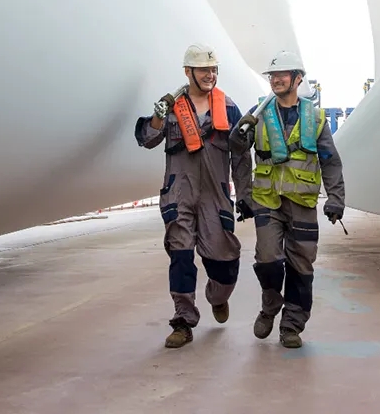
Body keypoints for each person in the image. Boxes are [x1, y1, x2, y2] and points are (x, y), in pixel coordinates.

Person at [135, 43, 250, 348]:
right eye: (204, 70)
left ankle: (218, 296)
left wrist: (245, 194)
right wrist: (157, 117)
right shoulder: (172, 107)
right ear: (188, 72)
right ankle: (183, 321)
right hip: (179, 195)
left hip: (216, 197)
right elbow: (148, 139)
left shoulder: (229, 109)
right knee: (181, 256)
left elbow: (241, 155)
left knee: (224, 263)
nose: (210, 75)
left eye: (213, 69)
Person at [230, 50, 346, 349]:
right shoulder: (257, 114)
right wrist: (243, 195)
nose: (276, 79)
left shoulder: (315, 118)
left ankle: (291, 325)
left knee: (301, 267)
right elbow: (239, 155)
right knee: (267, 260)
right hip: (266, 200)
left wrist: (336, 198)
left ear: (297, 79)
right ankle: (270, 304)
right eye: (272, 75)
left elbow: (330, 160)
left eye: (282, 74)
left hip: (302, 203)